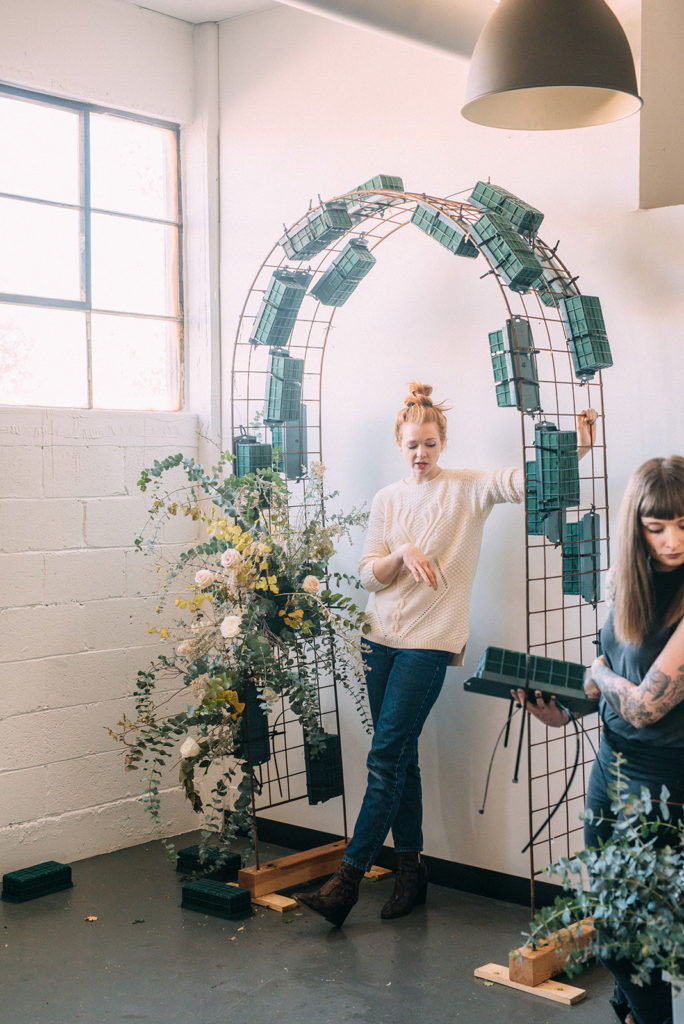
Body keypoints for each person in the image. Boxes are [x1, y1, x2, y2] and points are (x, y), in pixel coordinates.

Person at [297, 381, 597, 927]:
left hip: (429, 643)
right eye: (413, 444)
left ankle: (348, 879)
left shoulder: (467, 489)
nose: (421, 454)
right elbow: (368, 572)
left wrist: (574, 448)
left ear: (443, 442)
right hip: (377, 638)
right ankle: (412, 871)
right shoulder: (388, 500)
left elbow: (522, 482)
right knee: (400, 756)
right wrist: (403, 552)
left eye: (431, 444)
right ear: (399, 442)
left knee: (384, 757)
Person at [517, 455, 684, 1024]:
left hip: (663, 781)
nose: (672, 540)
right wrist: (562, 711)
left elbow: (643, 704)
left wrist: (598, 677)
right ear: (634, 525)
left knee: (624, 931)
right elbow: (610, 682)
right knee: (608, 913)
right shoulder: (623, 581)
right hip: (610, 767)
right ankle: (631, 1009)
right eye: (657, 527)